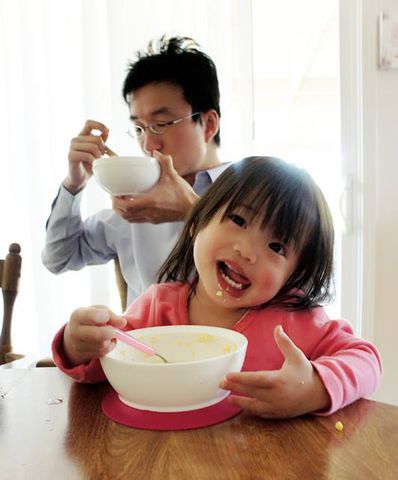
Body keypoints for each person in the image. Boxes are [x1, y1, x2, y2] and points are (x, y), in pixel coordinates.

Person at [51, 156, 382, 419]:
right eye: (239, 220)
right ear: (196, 224)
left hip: (262, 476)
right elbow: (103, 364)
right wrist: (78, 343)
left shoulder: (298, 320)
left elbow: (366, 361)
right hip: (163, 465)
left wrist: (312, 389)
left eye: (277, 247)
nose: (247, 252)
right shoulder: (157, 306)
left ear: (292, 275)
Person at [42, 36, 229, 305]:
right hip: (141, 345)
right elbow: (58, 257)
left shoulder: (255, 189)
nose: (148, 143)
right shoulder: (136, 201)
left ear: (209, 124)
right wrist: (74, 184)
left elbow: (289, 277)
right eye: (139, 128)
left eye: (161, 124)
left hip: (229, 346)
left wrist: (192, 211)